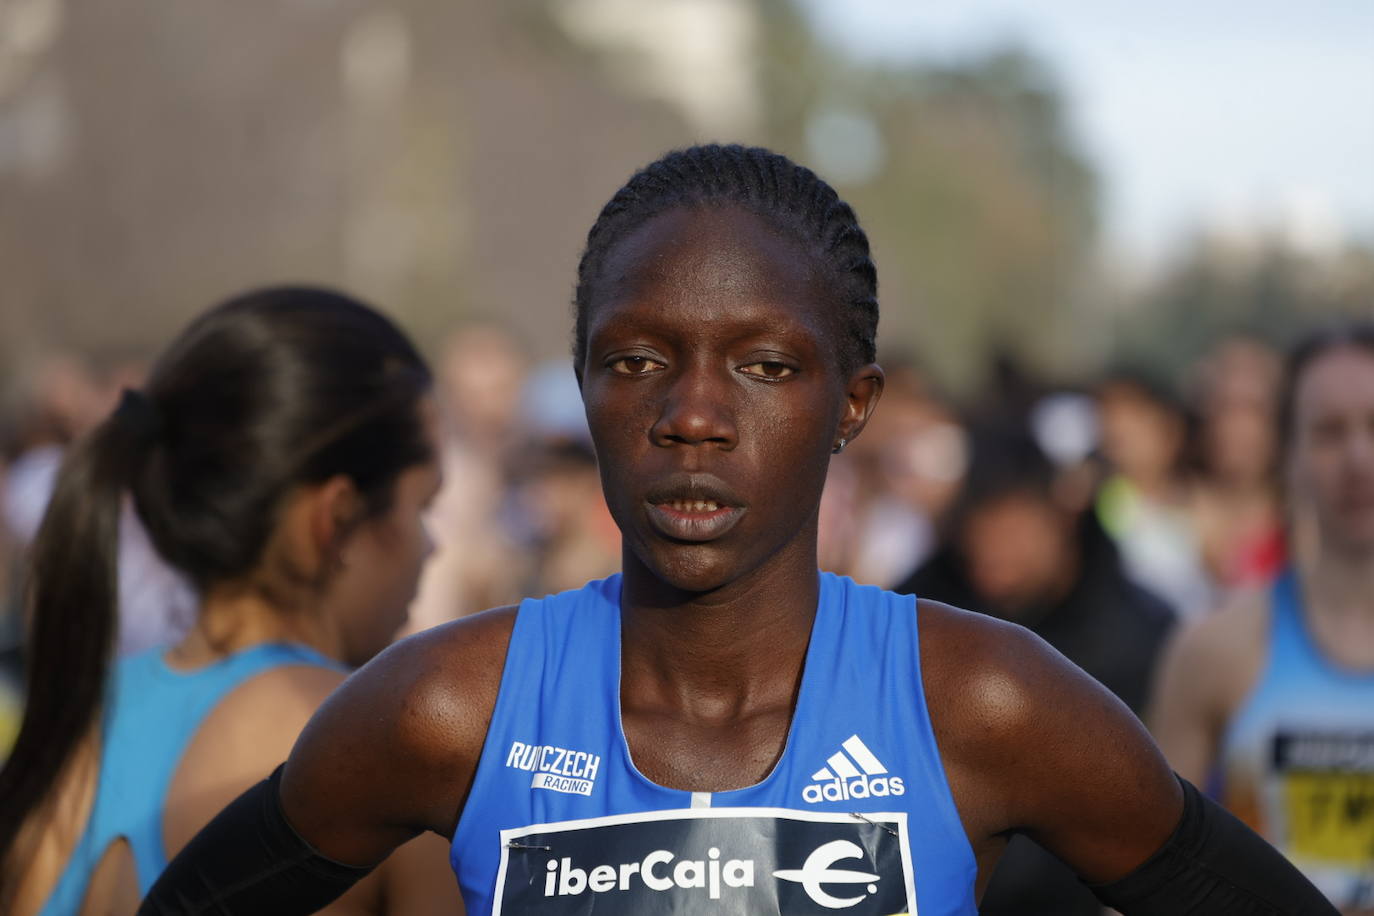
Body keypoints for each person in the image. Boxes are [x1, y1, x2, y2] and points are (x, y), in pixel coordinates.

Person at [144, 146, 1335, 915]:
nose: (695, 416)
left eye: (765, 365)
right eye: (636, 361)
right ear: (586, 383)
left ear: (851, 405)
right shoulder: (447, 708)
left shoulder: (985, 702)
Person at [0, 287, 460, 915]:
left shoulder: (74, 719)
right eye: (423, 506)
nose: (431, 546)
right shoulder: (381, 752)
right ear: (337, 518)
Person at [898, 426, 1176, 914]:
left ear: (1060, 516)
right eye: (977, 520)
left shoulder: (1143, 630)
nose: (989, 542)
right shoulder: (916, 611)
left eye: (1010, 520)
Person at [1151, 323, 1374, 914]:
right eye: (1329, 432)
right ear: (1288, 452)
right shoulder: (1215, 651)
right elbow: (1140, 880)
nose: (1358, 457)